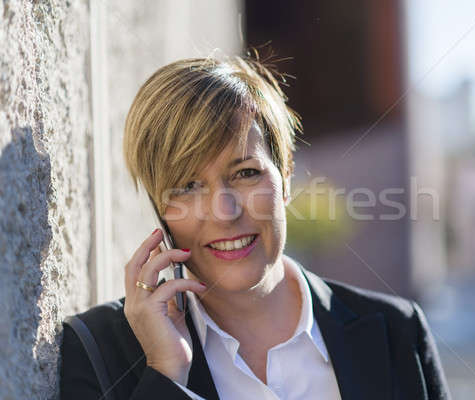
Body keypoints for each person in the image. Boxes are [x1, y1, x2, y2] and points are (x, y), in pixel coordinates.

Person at [60, 54, 451, 400]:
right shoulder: (97, 352)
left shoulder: (398, 333)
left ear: (286, 175)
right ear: (159, 208)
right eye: (188, 186)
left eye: (246, 173)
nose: (224, 211)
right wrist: (166, 376)